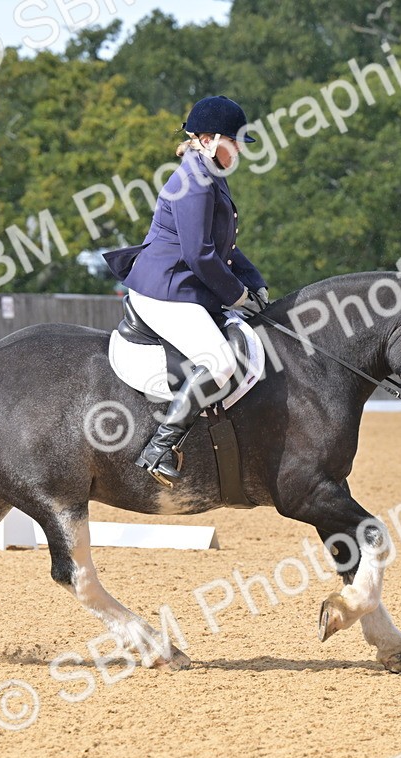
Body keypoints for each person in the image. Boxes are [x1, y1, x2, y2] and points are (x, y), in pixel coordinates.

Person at [104, 96, 270, 487]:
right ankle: (159, 448)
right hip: (166, 288)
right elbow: (199, 254)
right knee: (220, 362)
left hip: (185, 284)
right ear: (209, 139)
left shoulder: (209, 172)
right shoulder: (194, 182)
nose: (239, 151)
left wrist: (255, 280)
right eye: (234, 142)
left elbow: (225, 245)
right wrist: (238, 296)